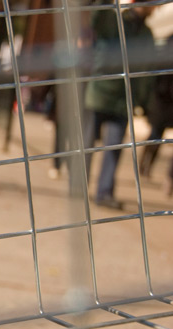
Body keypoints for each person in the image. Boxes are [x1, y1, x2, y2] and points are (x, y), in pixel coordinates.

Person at [82, 0, 156, 209]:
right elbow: (97, 16)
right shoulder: (114, 20)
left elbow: (146, 72)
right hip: (100, 92)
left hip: (124, 100)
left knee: (114, 148)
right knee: (86, 145)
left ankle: (104, 192)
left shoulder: (147, 34)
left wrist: (142, 100)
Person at [140, 35, 173, 183]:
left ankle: (151, 168)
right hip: (161, 101)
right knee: (155, 135)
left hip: (169, 103)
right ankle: (143, 164)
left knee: (158, 138)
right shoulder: (167, 45)